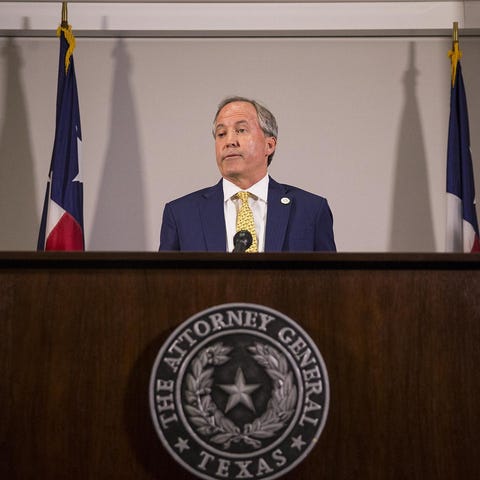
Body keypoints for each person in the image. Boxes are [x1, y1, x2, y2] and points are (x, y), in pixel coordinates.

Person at [159, 96, 336, 252]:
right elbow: (166, 285)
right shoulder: (182, 214)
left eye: (241, 130)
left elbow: (328, 283)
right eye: (221, 134)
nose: (229, 141)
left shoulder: (310, 210)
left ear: (269, 145)